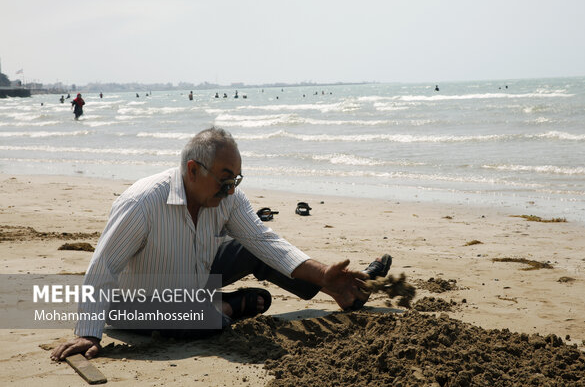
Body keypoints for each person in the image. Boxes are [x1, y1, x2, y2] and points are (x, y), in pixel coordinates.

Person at [50, 127, 390, 361]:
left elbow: (263, 239)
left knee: (251, 247)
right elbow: (104, 265)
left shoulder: (227, 198)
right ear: (193, 170)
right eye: (225, 180)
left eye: (236, 180)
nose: (231, 189)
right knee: (196, 317)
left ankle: (339, 292)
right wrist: (89, 334)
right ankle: (228, 306)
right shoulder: (142, 203)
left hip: (196, 274)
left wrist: (323, 274)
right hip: (143, 302)